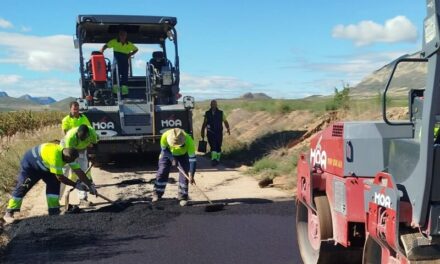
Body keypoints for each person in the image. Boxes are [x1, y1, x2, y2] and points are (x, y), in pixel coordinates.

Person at [3, 143, 97, 224]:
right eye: (71, 161)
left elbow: (79, 171)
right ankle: (9, 212)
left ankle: (54, 211)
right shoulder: (56, 158)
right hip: (31, 165)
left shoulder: (68, 154)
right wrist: (75, 185)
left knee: (54, 184)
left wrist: (90, 185)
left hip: (46, 166)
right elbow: (60, 177)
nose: (72, 162)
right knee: (23, 186)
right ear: (66, 159)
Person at [152, 128, 196, 206]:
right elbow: (164, 149)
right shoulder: (165, 136)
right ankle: (157, 194)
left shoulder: (189, 141)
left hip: (183, 155)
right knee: (162, 171)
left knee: (184, 174)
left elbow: (192, 160)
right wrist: (172, 159)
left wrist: (192, 175)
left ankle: (183, 197)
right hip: (167, 153)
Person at [62, 124, 98, 205]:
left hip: (82, 149)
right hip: (67, 150)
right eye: (80, 138)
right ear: (77, 134)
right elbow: (68, 154)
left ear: (87, 134)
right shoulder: (70, 137)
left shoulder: (92, 133)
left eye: (84, 138)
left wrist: (94, 157)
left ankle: (83, 198)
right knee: (63, 173)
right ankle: (56, 200)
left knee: (83, 172)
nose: (82, 139)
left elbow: (95, 145)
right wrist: (75, 169)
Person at [100, 28, 138, 97]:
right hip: (116, 63)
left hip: (125, 63)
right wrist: (101, 51)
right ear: (119, 35)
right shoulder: (114, 42)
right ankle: (115, 94)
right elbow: (105, 46)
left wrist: (130, 54)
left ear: (126, 36)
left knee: (125, 79)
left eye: (124, 35)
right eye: (121, 35)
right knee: (115, 78)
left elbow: (136, 49)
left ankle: (124, 94)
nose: (122, 36)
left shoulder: (129, 44)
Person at [201, 100, 231, 166]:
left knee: (218, 146)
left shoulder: (221, 113)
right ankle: (214, 159)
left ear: (216, 105)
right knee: (213, 145)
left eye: (214, 104)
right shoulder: (207, 113)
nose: (213, 105)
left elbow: (225, 121)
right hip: (210, 132)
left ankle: (217, 159)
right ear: (210, 105)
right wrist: (202, 131)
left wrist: (228, 128)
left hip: (219, 132)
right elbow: (204, 123)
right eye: (212, 104)